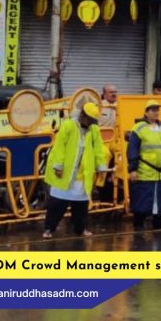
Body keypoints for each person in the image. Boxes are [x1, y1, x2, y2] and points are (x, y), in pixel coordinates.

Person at [43, 102, 108, 239]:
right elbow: (59, 147)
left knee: (81, 205)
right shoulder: (69, 125)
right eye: (90, 120)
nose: (91, 123)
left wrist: (101, 166)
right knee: (57, 203)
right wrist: (58, 166)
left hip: (82, 174)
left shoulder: (94, 129)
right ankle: (49, 228)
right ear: (83, 116)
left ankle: (81, 229)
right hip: (65, 173)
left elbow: (98, 148)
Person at [127, 100, 161, 230]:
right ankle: (138, 227)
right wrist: (132, 169)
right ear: (146, 112)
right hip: (145, 173)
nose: (156, 112)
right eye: (152, 110)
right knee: (142, 203)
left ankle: (158, 226)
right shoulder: (139, 128)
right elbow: (132, 149)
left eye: (157, 109)